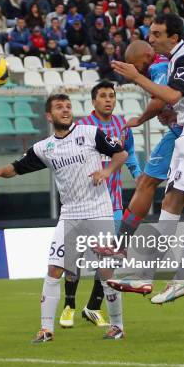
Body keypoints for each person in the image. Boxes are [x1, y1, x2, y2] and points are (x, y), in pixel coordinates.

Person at [0, 94, 129, 342]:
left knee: (106, 271)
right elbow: (16, 168)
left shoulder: (90, 133)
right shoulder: (44, 148)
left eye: (68, 107)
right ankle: (46, 329)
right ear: (49, 116)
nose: (65, 110)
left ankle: (117, 326)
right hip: (70, 215)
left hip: (99, 210)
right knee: (53, 269)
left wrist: (107, 170)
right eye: (59, 107)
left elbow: (121, 153)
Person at [111, 14, 184, 304]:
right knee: (169, 203)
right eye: (151, 33)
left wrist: (137, 77)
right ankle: (145, 275)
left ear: (174, 37)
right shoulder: (179, 58)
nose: (151, 38)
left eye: (157, 33)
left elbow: (172, 96)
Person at [59, 80, 141, 329]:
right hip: (82, 202)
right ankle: (69, 306)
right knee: (75, 254)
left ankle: (92, 307)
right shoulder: (81, 127)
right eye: (103, 96)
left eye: (112, 96)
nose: (108, 100)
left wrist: (138, 175)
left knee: (109, 259)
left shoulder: (121, 126)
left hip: (112, 204)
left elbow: (129, 152)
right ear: (93, 101)